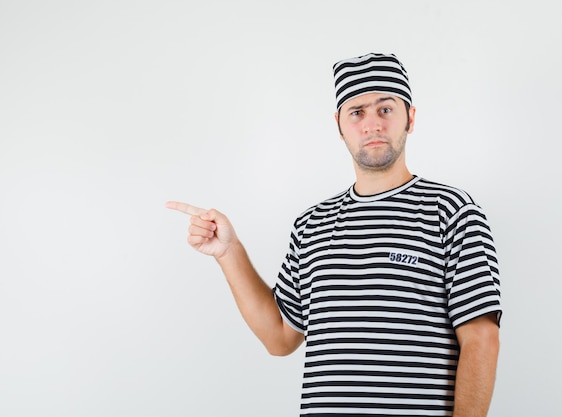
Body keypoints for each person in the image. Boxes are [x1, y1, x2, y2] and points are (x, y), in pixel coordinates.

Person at [167, 52, 502, 417]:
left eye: (385, 109)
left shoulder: (450, 211)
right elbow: (280, 337)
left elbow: (481, 338)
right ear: (339, 126)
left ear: (411, 118)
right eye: (356, 112)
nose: (372, 124)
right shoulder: (312, 224)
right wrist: (229, 252)